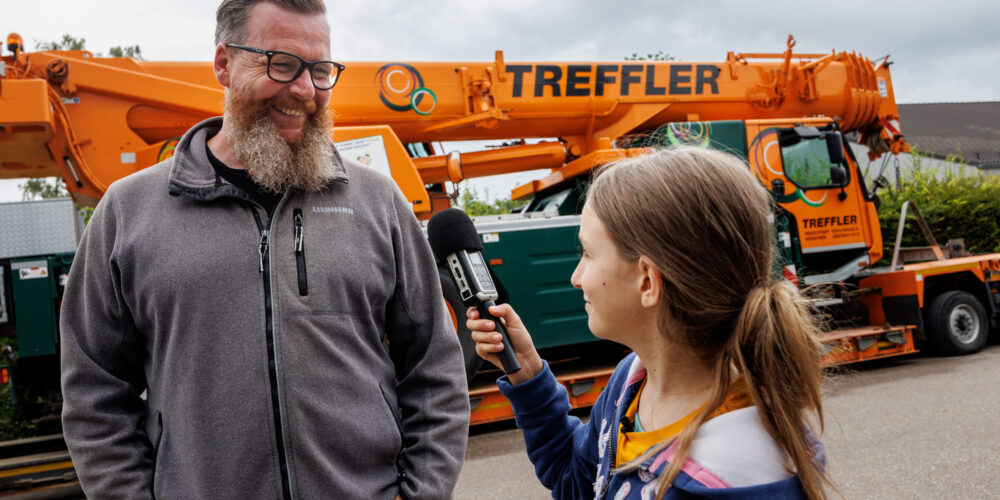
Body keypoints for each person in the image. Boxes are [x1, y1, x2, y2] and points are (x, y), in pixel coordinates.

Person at [59, 1, 469, 498]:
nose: (304, 90)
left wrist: (422, 492)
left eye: (320, 70)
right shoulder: (129, 213)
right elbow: (93, 390)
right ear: (223, 64)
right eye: (281, 63)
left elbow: (436, 369)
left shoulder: (378, 204)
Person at [468, 147, 833, 499]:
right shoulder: (632, 382)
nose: (576, 277)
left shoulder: (733, 476)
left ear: (647, 281)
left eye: (587, 253)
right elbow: (575, 480)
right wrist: (528, 375)